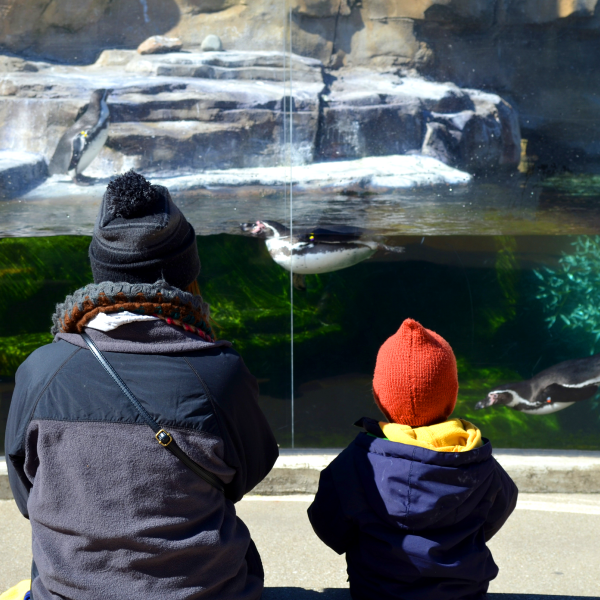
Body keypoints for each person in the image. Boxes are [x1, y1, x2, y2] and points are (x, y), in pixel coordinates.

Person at [4, 170, 278, 600]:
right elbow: (248, 473)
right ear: (188, 274)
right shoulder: (219, 373)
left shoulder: (42, 372)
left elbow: (26, 497)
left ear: (100, 272)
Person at [307, 318, 518, 600]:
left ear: (380, 398)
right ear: (451, 396)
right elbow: (497, 511)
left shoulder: (356, 463)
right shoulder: (477, 459)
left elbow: (329, 525)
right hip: (464, 593)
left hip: (374, 592)